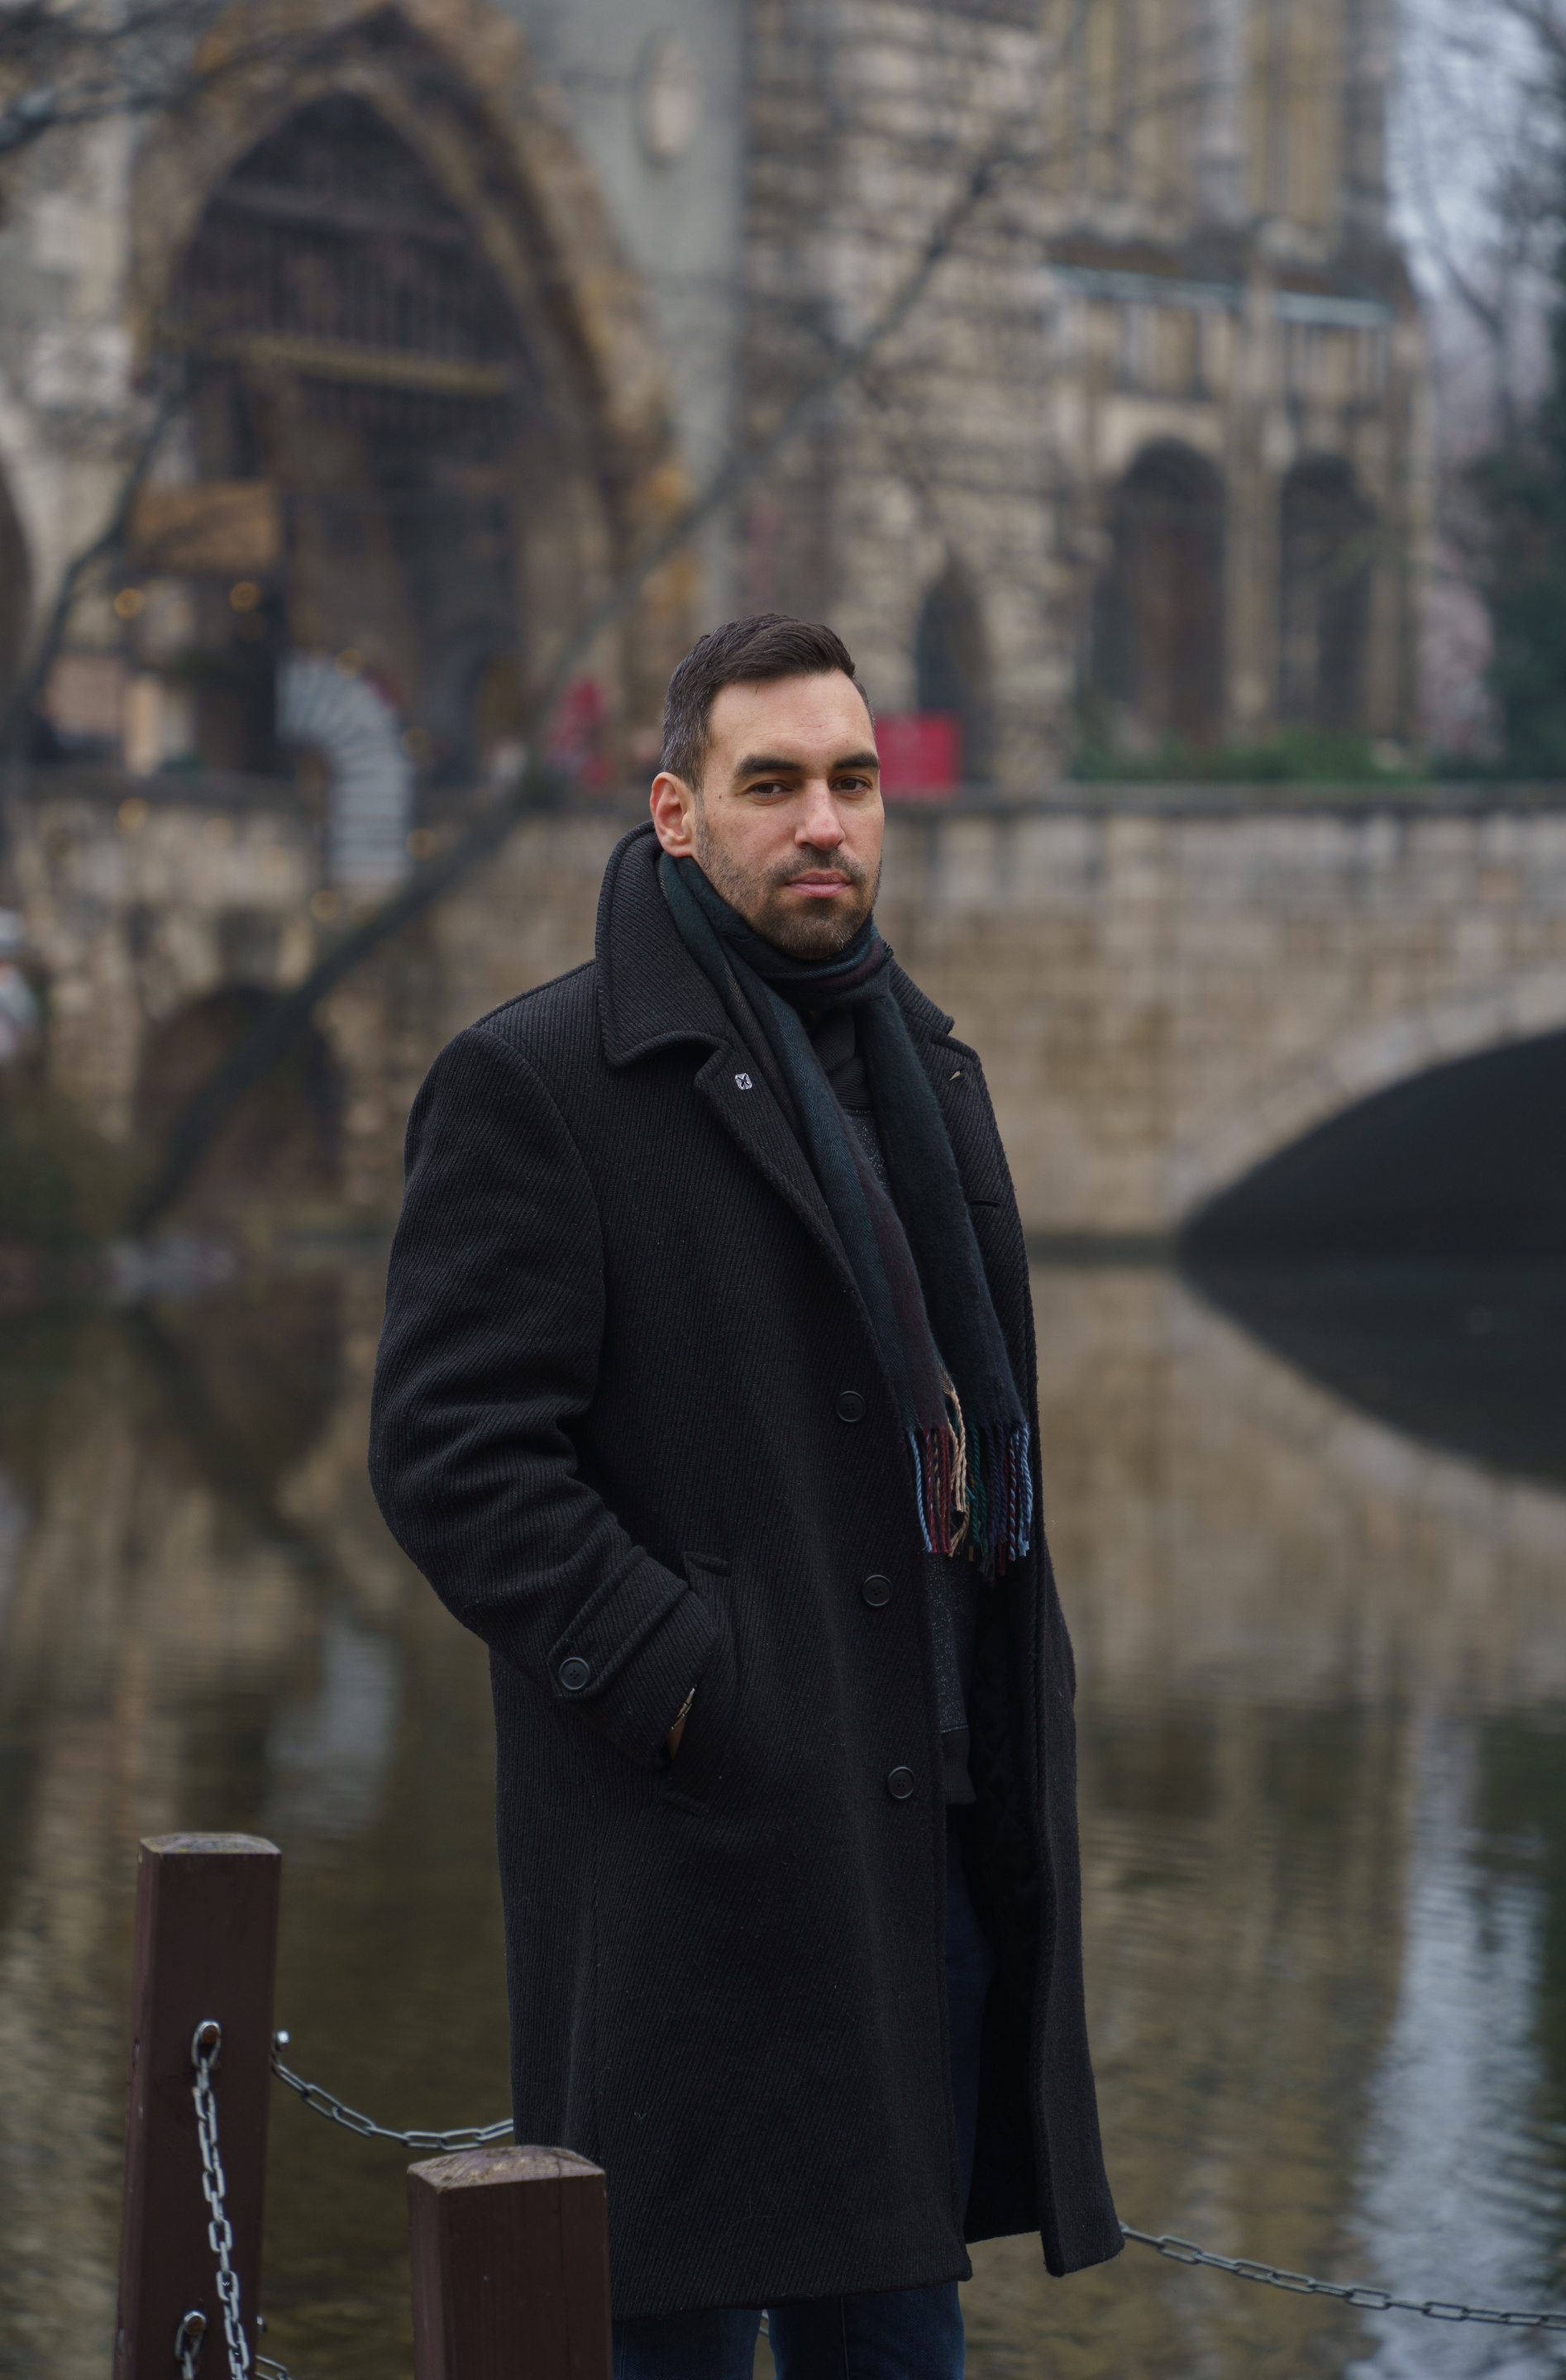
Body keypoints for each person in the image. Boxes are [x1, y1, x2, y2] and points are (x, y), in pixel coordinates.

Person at [369, 615, 1120, 2378]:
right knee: (672, 2349)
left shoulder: (923, 1071)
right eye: (771, 784)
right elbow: (453, 1456)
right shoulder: (540, 1079)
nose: (823, 824)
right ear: (677, 811)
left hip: (915, 1849)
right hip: (690, 1870)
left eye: (853, 781)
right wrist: (691, 1679)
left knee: (899, 2349)